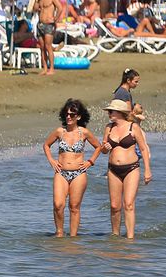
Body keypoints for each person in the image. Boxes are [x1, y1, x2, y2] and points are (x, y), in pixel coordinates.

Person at [42, 99, 103, 237]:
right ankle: (59, 234)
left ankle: (73, 238)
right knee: (58, 205)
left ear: (79, 117)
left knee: (74, 207)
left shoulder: (84, 133)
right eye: (67, 114)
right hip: (61, 172)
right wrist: (51, 160)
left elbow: (98, 147)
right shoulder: (60, 131)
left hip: (79, 173)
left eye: (72, 114)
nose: (68, 117)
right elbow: (46, 145)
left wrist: (90, 161)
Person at [100, 99, 153, 239]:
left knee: (128, 204)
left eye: (112, 111)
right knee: (114, 206)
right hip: (113, 170)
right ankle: (115, 236)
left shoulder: (133, 127)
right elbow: (103, 150)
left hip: (131, 169)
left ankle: (130, 238)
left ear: (121, 112)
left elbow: (143, 149)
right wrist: (104, 148)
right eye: (109, 111)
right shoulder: (108, 128)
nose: (109, 113)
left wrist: (147, 170)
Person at [34, 0, 63, 75]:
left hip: (49, 25)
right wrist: (36, 0)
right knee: (42, 47)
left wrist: (55, 19)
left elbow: (60, 7)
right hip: (40, 24)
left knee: (48, 46)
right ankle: (45, 68)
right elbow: (35, 9)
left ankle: (52, 69)